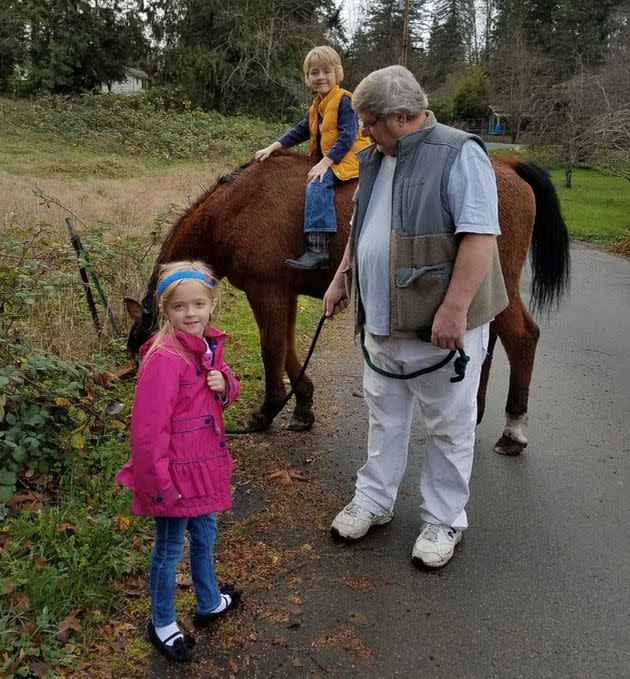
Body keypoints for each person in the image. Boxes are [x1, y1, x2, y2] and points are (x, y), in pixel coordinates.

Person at [323, 66, 509, 569]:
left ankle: (444, 517)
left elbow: (479, 238)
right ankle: (375, 499)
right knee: (384, 414)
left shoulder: (459, 153)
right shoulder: (378, 159)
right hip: (382, 320)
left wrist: (453, 310)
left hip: (440, 326)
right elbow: (365, 228)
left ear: (401, 118)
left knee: (448, 425)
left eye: (369, 122)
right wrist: (342, 276)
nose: (363, 131)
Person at [116, 260, 241, 663]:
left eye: (199, 305)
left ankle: (208, 602)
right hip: (174, 477)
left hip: (203, 469)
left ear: (211, 304)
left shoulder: (207, 345)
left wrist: (227, 386)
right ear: (165, 311)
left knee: (206, 537)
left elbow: (220, 385)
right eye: (180, 308)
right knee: (170, 549)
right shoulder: (164, 358)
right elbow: (148, 432)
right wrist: (158, 486)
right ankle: (163, 621)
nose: (191, 314)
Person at [254, 45, 370, 271]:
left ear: (338, 73)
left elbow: (347, 137)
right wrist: (273, 147)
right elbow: (300, 131)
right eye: (314, 72)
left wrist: (325, 163)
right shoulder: (317, 105)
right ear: (307, 77)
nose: (320, 77)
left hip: (349, 157)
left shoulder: (345, 101)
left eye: (326, 72)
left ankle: (318, 249)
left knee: (317, 183)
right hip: (333, 157)